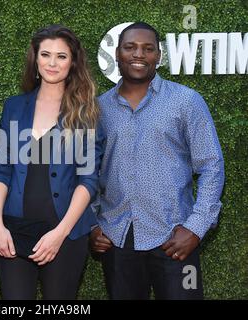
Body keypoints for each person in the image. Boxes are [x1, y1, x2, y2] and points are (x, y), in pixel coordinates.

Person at [90, 22, 225, 300]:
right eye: (130, 47)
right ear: (117, 53)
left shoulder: (187, 101)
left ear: (159, 56)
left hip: (175, 238)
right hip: (117, 238)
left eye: (148, 48)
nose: (138, 54)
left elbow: (211, 165)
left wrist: (196, 228)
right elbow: (87, 171)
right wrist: (91, 225)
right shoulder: (98, 108)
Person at [0, 24, 103, 300]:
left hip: (65, 235)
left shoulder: (85, 112)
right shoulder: (15, 106)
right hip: (13, 232)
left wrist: (59, 233)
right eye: (46, 55)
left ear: (73, 62)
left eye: (61, 56)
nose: (52, 63)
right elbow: (2, 170)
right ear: (35, 59)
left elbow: (87, 180)